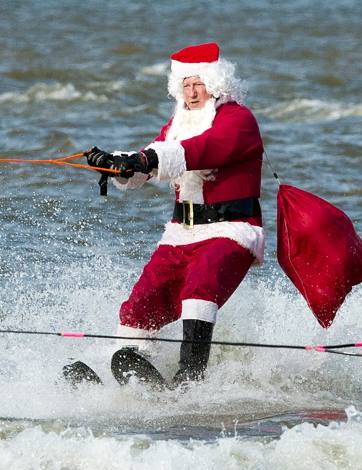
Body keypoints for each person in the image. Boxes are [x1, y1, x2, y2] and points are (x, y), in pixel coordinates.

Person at [84, 41, 265, 386]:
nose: (192, 92)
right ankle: (126, 369)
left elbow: (204, 149)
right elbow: (154, 157)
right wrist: (117, 165)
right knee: (140, 302)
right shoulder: (178, 124)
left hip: (231, 230)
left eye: (198, 83)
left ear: (216, 84)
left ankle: (189, 379)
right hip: (183, 231)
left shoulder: (239, 120)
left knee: (200, 286)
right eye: (185, 84)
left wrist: (146, 160)